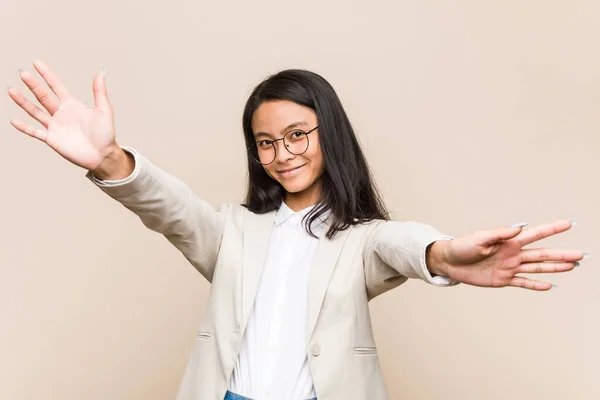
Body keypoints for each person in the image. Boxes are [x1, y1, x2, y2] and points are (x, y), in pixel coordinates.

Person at [7, 60, 585, 400]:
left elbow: (400, 243)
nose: (281, 153)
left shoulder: (361, 240)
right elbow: (171, 207)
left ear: (328, 132)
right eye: (265, 142)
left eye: (297, 134)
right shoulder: (230, 232)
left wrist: (441, 254)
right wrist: (108, 160)